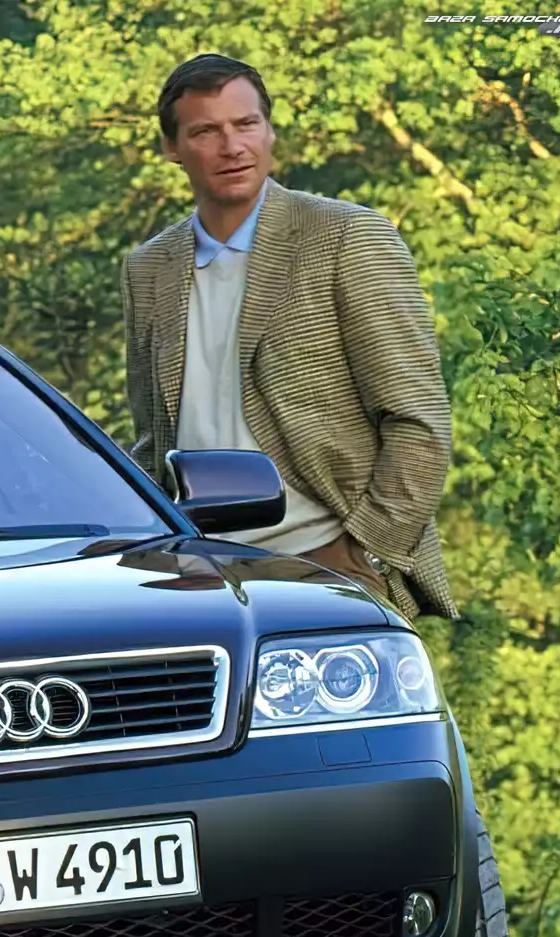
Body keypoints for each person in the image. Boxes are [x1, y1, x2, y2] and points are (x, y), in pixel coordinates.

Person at [121, 53, 456, 620]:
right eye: (206, 131)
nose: (232, 147)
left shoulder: (346, 237)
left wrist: (365, 551)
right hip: (197, 573)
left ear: (270, 131)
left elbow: (419, 422)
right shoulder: (149, 267)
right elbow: (153, 440)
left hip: (324, 562)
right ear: (171, 148)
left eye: (246, 124)